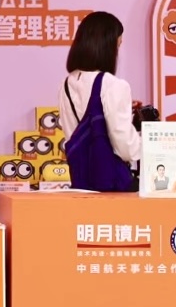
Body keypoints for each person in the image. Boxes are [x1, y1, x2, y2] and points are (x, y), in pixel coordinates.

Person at [58, 11, 142, 191]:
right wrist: (144, 142)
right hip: (111, 182)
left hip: (81, 182)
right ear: (107, 47)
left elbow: (71, 133)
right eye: (118, 45)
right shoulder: (113, 85)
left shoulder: (66, 84)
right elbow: (126, 146)